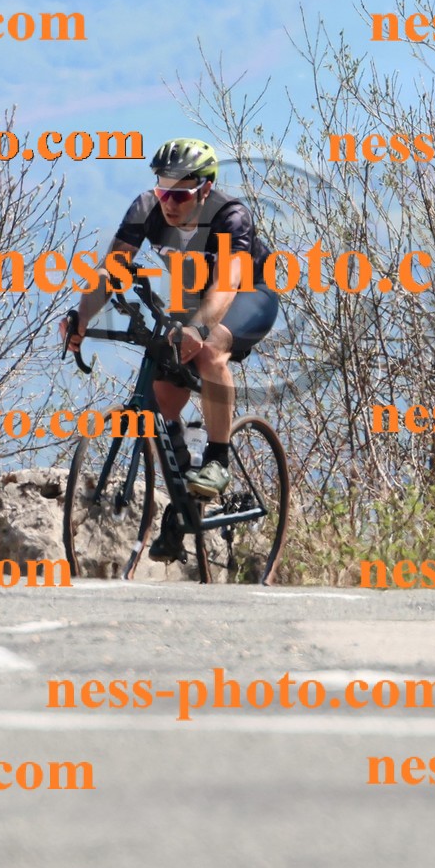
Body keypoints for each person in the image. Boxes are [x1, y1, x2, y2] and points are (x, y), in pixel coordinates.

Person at [60, 138, 279, 560]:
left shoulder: (231, 216)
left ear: (204, 188)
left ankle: (217, 461)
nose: (169, 202)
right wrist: (83, 318)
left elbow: (227, 286)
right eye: (163, 190)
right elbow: (111, 272)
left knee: (211, 351)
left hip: (248, 294)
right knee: (160, 402)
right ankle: (182, 506)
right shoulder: (145, 209)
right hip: (191, 294)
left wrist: (199, 329)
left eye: (179, 193)